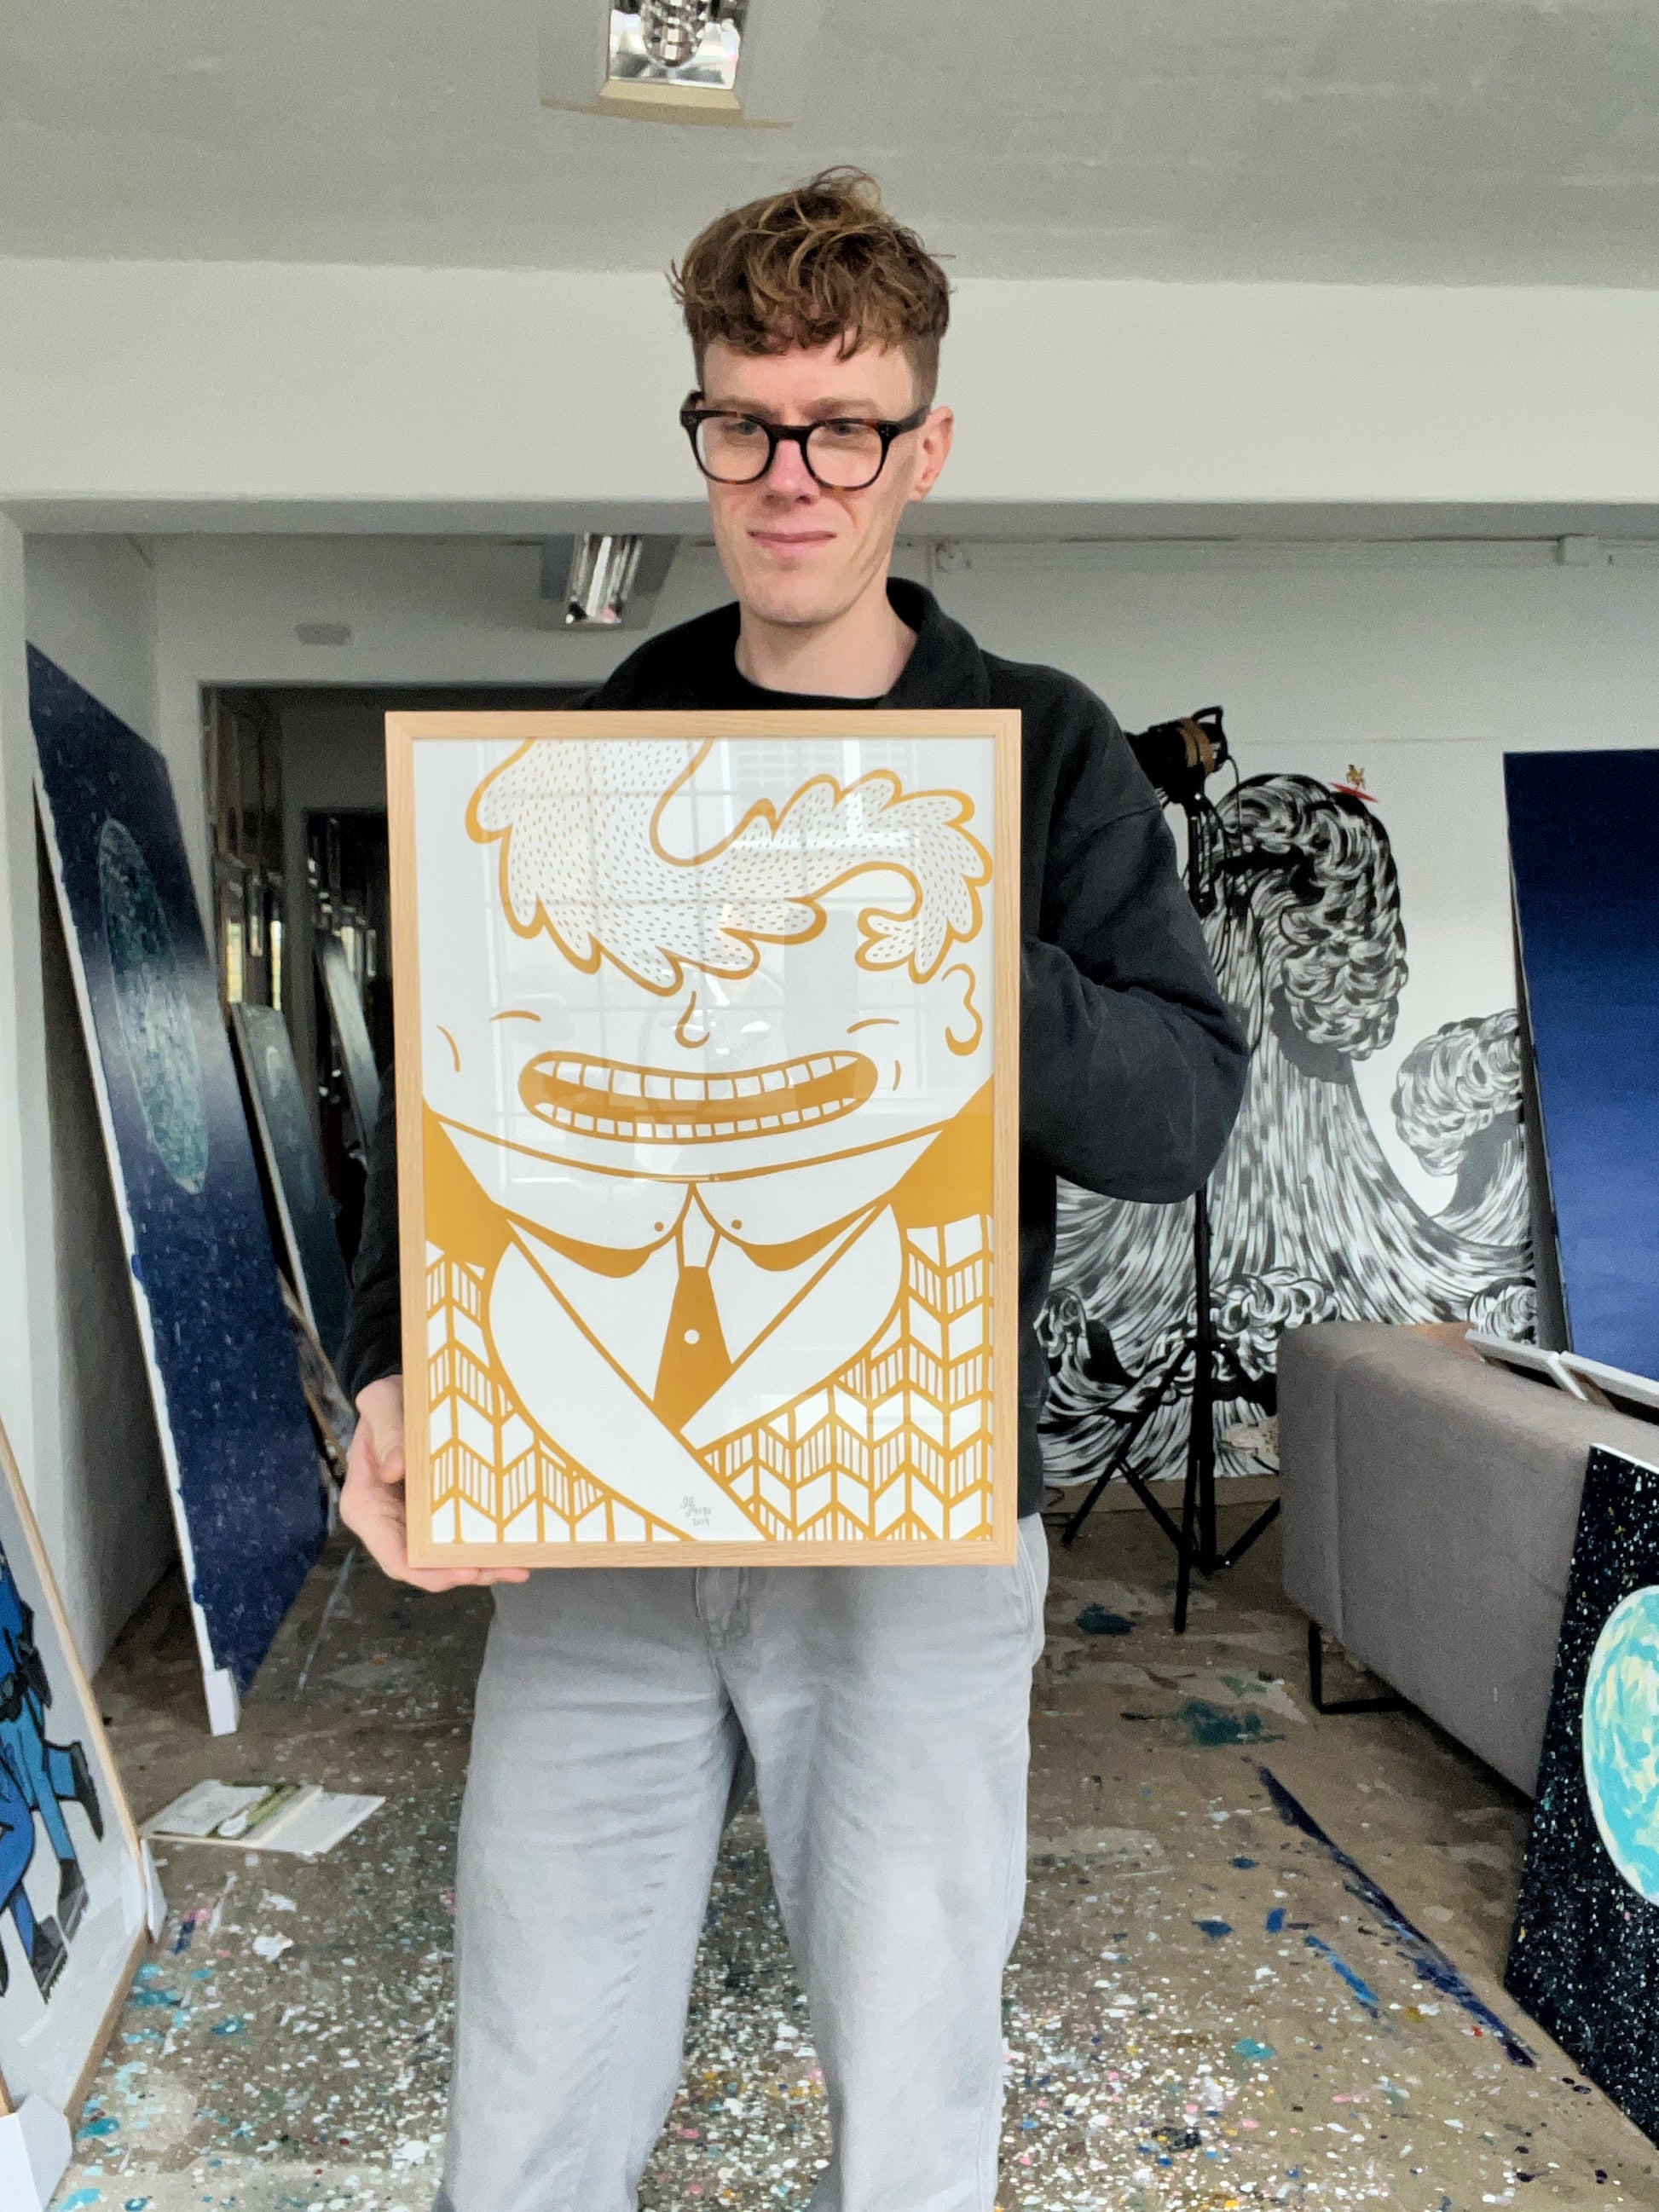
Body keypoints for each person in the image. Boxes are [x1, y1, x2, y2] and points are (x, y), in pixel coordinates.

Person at [338, 167, 1247, 2212]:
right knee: (534, 2059)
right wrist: (406, 1372)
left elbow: (1181, 1111)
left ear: (924, 445)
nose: (789, 478)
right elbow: (459, 1107)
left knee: (915, 2081)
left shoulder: (1043, 752)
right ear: (700, 429)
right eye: (742, 424)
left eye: (842, 429)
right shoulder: (604, 747)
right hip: (602, 1511)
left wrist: (949, 925)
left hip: (910, 1522)